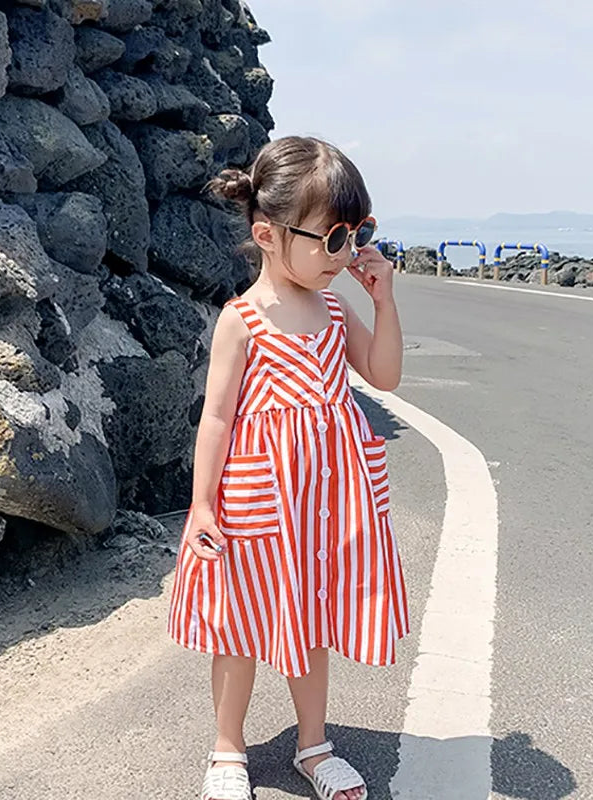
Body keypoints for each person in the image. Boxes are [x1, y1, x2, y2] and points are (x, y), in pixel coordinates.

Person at [167, 136, 409, 800]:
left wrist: (383, 299)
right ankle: (227, 747)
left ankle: (313, 743)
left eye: (356, 235)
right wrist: (203, 505)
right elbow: (216, 417)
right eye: (332, 237)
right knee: (238, 621)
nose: (347, 253)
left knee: (314, 616)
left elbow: (383, 376)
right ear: (268, 234)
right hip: (257, 496)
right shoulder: (242, 319)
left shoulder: (335, 307)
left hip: (326, 499)